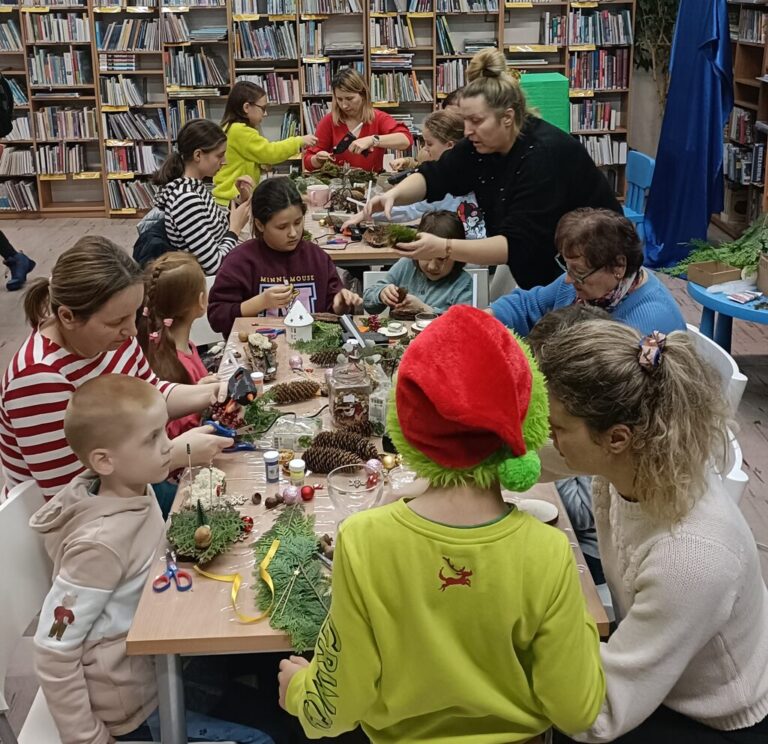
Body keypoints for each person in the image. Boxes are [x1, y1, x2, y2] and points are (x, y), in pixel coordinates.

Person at [278, 305, 606, 743]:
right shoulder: (546, 552)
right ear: (529, 423)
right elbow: (576, 709)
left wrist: (300, 690)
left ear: (405, 425)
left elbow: (335, 711)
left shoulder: (363, 542)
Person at [537, 320, 768, 744]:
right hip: (655, 669)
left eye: (558, 428)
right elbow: (543, 458)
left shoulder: (691, 555)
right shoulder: (640, 456)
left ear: (617, 438)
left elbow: (599, 716)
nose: (549, 436)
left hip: (709, 717)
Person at [31, 374, 273, 744]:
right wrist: (87, 737)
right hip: (136, 709)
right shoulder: (98, 546)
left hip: (163, 662)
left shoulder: (132, 488)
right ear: (104, 461)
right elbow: (53, 649)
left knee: (267, 682)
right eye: (152, 439)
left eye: (164, 432)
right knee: (262, 737)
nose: (168, 447)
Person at [362, 48, 621, 288]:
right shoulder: (480, 145)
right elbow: (436, 176)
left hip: (596, 272)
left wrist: (445, 247)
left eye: (476, 121)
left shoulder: (544, 156)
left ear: (507, 117)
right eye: (465, 121)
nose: (467, 131)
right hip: (550, 272)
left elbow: (517, 245)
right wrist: (392, 196)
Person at [0, 236, 232, 501]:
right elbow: (73, 493)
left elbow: (151, 392)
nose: (132, 331)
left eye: (133, 315)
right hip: (86, 524)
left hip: (131, 487)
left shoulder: (110, 339)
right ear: (67, 317)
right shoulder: (37, 379)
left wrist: (214, 393)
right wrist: (175, 453)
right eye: (117, 321)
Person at [489, 208, 686, 336]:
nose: (567, 279)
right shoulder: (580, 285)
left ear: (618, 266)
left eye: (578, 271)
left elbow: (606, 391)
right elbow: (528, 305)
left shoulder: (648, 323)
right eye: (567, 266)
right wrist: (483, 317)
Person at [208, 177, 362, 338]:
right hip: (254, 354)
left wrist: (341, 304)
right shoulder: (240, 261)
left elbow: (333, 308)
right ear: (260, 225)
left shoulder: (316, 258)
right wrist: (260, 303)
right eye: (282, 227)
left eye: (297, 222)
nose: (293, 233)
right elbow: (217, 317)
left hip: (311, 352)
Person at [344, 110, 487, 238]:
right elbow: (412, 207)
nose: (425, 149)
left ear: (450, 146)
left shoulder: (461, 179)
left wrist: (367, 213)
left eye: (429, 144)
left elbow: (411, 208)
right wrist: (368, 212)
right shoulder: (440, 179)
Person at [153, 119, 252, 275]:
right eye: (219, 155)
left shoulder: (195, 187)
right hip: (205, 283)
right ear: (198, 155)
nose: (224, 162)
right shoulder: (186, 199)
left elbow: (214, 227)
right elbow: (214, 266)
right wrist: (235, 229)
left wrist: (239, 202)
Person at [137, 252, 214, 439]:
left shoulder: (180, 347)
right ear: (201, 300)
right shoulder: (174, 361)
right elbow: (173, 431)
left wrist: (200, 386)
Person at [212, 81, 317, 207]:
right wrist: (298, 141)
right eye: (263, 108)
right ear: (246, 107)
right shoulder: (240, 130)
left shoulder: (231, 127)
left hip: (229, 198)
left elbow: (250, 156)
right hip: (232, 199)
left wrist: (260, 163)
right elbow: (270, 152)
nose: (266, 113)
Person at [303, 67, 413, 173]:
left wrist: (372, 140)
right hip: (338, 185)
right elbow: (308, 162)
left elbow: (406, 140)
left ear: (363, 95)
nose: (344, 105)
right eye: (339, 99)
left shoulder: (379, 118)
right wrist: (317, 159)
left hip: (371, 183)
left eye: (349, 98)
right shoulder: (329, 121)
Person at [363, 210, 474, 315]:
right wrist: (381, 294)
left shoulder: (463, 283)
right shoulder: (406, 265)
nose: (432, 266)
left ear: (457, 257)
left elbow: (462, 322)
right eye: (426, 257)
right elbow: (368, 304)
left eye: (441, 259)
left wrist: (426, 310)